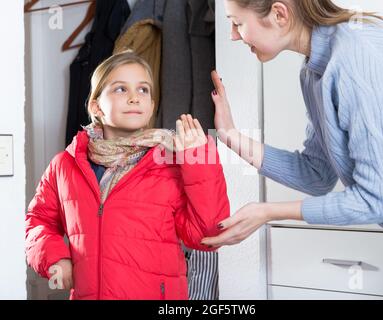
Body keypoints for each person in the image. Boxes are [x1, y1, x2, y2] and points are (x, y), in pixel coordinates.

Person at [200, 0, 383, 299]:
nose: (234, 36)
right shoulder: (314, 72)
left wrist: (267, 212)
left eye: (237, 22)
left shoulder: (353, 57)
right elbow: (317, 175)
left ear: (279, 14)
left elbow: (379, 200)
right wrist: (231, 136)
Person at [25, 51, 230, 300]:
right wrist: (55, 258)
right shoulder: (65, 166)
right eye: (121, 89)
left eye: (143, 90)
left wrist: (200, 162)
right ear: (96, 106)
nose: (134, 98)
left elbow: (207, 236)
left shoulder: (171, 163)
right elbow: (38, 221)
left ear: (152, 105)